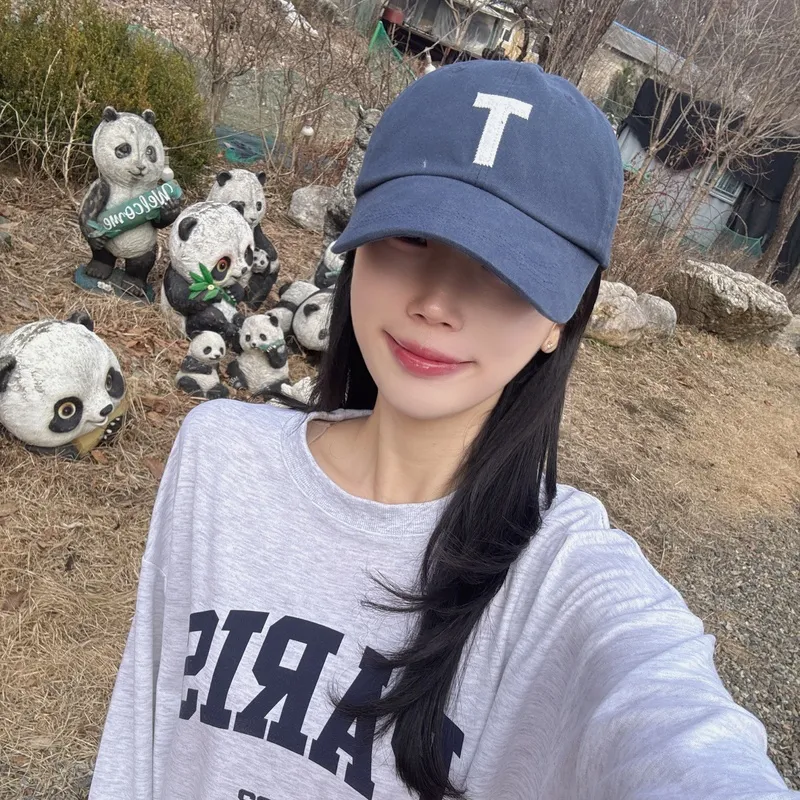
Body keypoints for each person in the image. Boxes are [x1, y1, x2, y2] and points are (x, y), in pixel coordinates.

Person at [89, 61, 797, 800]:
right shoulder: (218, 456)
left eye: (503, 264)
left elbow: (680, 734)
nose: (436, 303)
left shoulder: (563, 579)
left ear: (561, 317)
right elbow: (141, 744)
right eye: (413, 236)